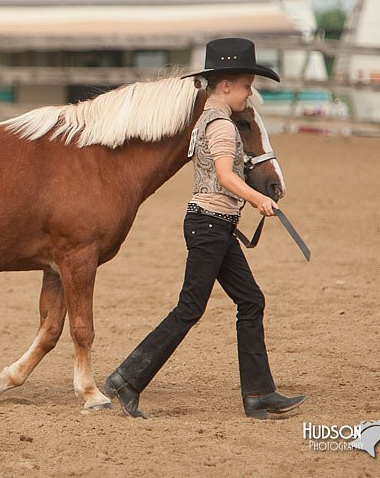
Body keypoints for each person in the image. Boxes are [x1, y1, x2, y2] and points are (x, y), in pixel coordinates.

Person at [103, 38, 306, 419]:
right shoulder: (222, 126)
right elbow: (228, 176)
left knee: (251, 301)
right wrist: (257, 198)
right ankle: (127, 378)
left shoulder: (208, 119)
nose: (250, 94)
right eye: (246, 85)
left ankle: (259, 394)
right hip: (210, 226)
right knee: (190, 309)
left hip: (214, 225)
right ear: (225, 85)